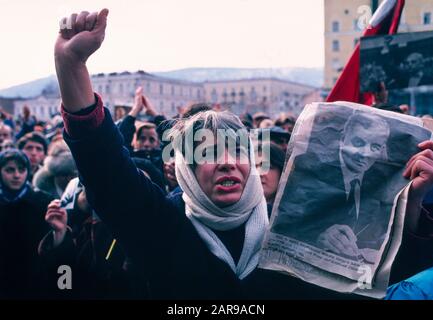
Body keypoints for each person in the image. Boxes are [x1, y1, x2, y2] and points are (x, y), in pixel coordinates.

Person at [54, 9, 433, 298]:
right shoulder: (163, 224)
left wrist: (410, 199)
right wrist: (71, 67)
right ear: (184, 169)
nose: (225, 161)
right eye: (205, 153)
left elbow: (380, 273)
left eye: (237, 150)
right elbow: (108, 175)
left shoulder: (294, 222)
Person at [0, 149, 53, 298]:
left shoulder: (42, 201)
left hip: (33, 279)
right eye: (9, 170)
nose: (16, 175)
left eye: (21, 170)